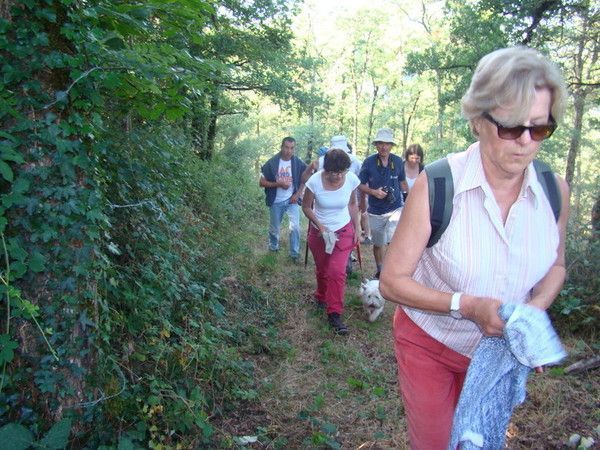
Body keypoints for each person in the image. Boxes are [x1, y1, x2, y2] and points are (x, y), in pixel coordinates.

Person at [379, 46, 569, 449]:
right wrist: (467, 306)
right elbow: (391, 283)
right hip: (429, 343)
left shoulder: (554, 191)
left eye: (540, 128)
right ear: (479, 121)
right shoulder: (439, 185)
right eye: (511, 128)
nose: (525, 143)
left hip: (498, 357)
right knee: (435, 442)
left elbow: (556, 266)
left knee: (479, 440)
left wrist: (531, 316)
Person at [302, 149, 361, 334]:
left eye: (341, 172)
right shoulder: (314, 181)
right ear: (325, 169)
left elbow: (352, 204)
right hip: (320, 232)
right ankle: (321, 295)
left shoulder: (350, 179)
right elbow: (306, 207)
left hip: (343, 230)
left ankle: (334, 313)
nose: (337, 176)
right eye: (333, 172)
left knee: (336, 271)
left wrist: (357, 227)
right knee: (323, 269)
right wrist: (319, 225)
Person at [358, 128, 407, 279]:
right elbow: (360, 185)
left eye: (387, 144)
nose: (383, 147)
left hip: (395, 208)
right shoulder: (369, 162)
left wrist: (409, 200)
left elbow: (403, 182)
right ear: (376, 145)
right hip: (376, 210)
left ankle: (391, 271)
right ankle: (380, 270)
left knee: (393, 241)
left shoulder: (398, 161)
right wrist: (374, 192)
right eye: (380, 143)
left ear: (391, 145)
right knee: (378, 243)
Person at [260, 137, 307, 262]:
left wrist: (297, 195)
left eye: (292, 148)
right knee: (274, 228)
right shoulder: (272, 163)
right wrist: (278, 184)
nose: (289, 151)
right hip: (276, 200)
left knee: (295, 227)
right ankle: (273, 247)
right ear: (281, 147)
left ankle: (294, 254)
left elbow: (304, 179)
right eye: (286, 147)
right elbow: (261, 182)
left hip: (292, 200)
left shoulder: (298, 163)